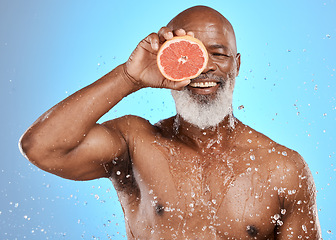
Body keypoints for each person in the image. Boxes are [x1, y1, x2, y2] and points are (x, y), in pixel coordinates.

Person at [19, 5, 321, 239]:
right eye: (191, 54)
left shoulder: (284, 169)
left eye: (218, 53)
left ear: (237, 65)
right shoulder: (135, 143)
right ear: (169, 60)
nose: (204, 67)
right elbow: (42, 147)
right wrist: (129, 77)